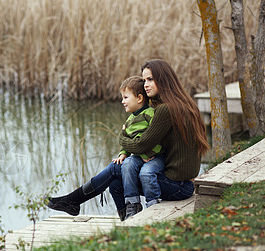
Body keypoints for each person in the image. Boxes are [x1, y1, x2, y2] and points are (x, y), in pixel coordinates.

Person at [47, 59, 209, 221]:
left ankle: (73, 200)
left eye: (150, 79)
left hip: (177, 187)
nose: (146, 84)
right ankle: (128, 221)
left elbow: (141, 145)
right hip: (184, 184)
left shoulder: (165, 110)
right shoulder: (185, 103)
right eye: (144, 80)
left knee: (115, 168)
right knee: (116, 183)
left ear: (164, 79)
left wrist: (122, 136)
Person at [113, 76, 165, 220]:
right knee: (127, 165)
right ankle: (132, 203)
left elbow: (155, 139)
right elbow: (128, 140)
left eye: (125, 97)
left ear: (139, 98)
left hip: (155, 156)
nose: (122, 101)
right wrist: (123, 153)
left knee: (146, 174)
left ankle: (153, 205)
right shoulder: (129, 120)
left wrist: (145, 153)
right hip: (139, 155)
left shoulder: (150, 114)